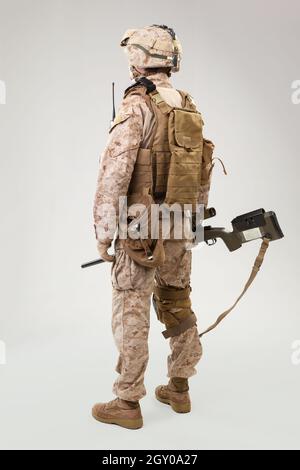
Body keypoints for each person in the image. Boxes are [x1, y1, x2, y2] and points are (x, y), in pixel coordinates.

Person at [92, 25, 204, 430]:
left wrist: (105, 233)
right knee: (177, 302)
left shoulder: (137, 105)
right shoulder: (187, 104)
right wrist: (191, 225)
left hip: (140, 231)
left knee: (132, 309)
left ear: (139, 59)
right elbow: (201, 172)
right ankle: (179, 386)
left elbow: (114, 175)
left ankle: (126, 401)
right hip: (180, 226)